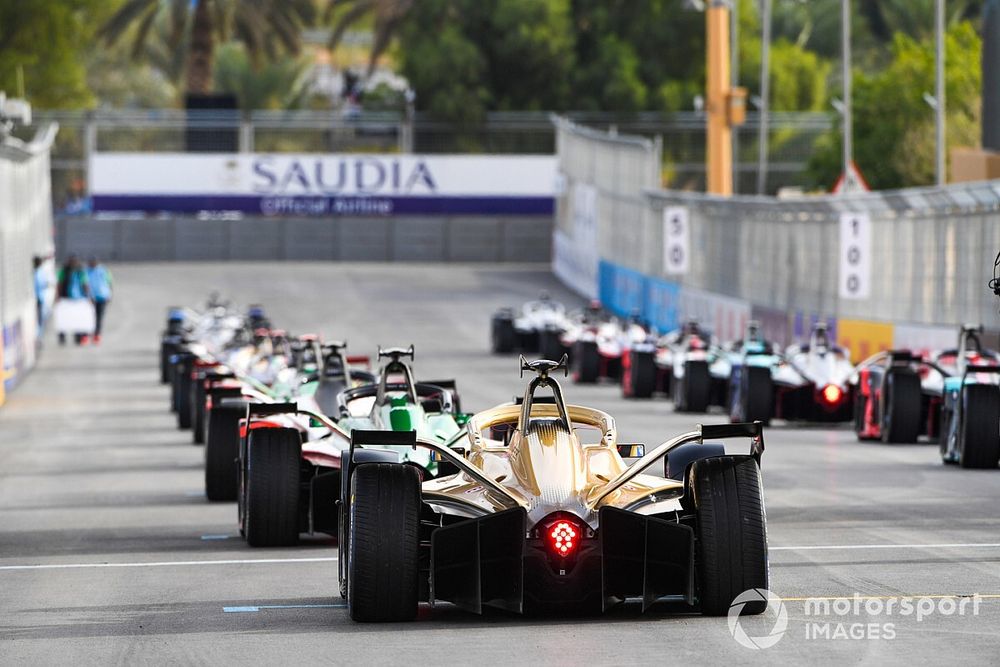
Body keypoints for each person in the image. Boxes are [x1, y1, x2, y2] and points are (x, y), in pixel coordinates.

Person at [56, 255, 91, 345]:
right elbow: (59, 284)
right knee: (64, 319)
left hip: (79, 298)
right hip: (66, 297)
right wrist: (58, 296)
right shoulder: (64, 271)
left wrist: (88, 297)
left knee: (77, 319)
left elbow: (85, 284)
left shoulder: (81, 272)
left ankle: (78, 337)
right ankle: (62, 337)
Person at [86, 258, 113, 343]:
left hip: (102, 296)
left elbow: (109, 283)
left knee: (99, 317)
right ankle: (86, 335)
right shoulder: (86, 271)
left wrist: (110, 295)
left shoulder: (104, 271)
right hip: (90, 298)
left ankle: (97, 335)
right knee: (89, 317)